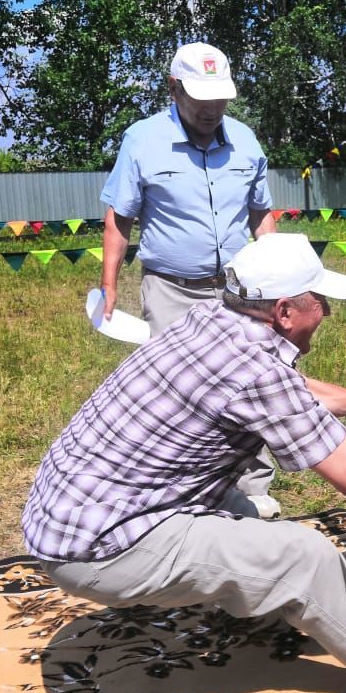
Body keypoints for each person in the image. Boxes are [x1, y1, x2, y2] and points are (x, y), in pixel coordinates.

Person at [22, 233, 346, 693]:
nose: (329, 314)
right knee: (303, 553)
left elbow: (288, 385)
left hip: (67, 516)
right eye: (319, 302)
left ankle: (279, 599)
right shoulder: (256, 372)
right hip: (98, 552)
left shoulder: (209, 319)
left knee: (247, 515)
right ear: (284, 312)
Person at [98, 41, 280, 516]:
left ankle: (253, 489)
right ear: (173, 88)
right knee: (179, 392)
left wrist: (277, 275)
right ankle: (184, 490)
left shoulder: (245, 140)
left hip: (241, 290)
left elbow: (262, 214)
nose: (211, 109)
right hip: (171, 288)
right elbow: (119, 219)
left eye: (220, 98)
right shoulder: (141, 140)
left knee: (254, 381)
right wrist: (110, 284)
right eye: (201, 98)